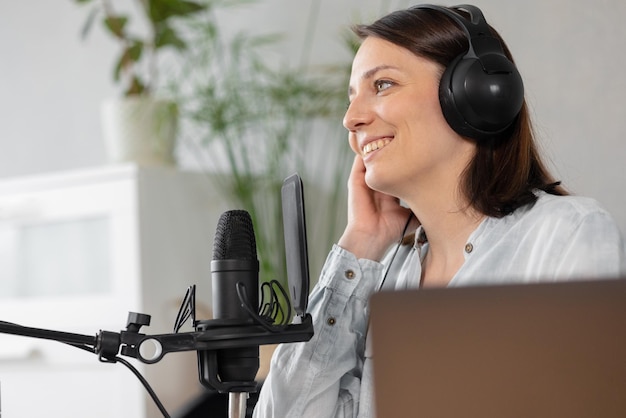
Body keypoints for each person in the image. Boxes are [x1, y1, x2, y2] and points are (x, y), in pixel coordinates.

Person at [253, 4, 626, 418]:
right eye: (351, 97)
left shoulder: (565, 237)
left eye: (383, 85)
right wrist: (361, 242)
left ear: (476, 95)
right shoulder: (387, 277)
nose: (351, 119)